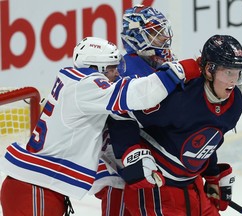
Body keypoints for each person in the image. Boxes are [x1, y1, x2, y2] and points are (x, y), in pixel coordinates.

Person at [0, 36, 195, 216]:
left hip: (37, 188)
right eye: (111, 68)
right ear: (95, 68)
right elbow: (138, 95)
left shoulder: (75, 85)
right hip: (35, 189)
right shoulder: (86, 86)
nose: (116, 73)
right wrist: (178, 71)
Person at [108, 34, 242, 216]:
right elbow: (121, 113)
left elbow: (208, 138)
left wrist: (213, 175)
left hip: (193, 186)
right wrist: (130, 152)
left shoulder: (234, 103)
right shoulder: (180, 98)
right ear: (209, 70)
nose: (233, 80)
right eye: (228, 72)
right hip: (157, 189)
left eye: (238, 73)